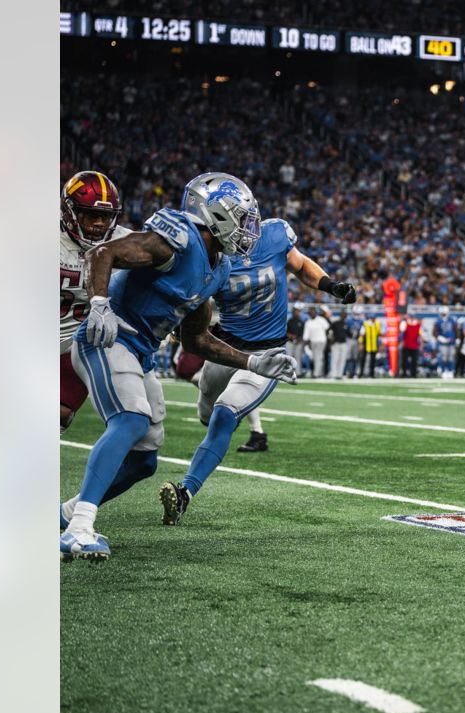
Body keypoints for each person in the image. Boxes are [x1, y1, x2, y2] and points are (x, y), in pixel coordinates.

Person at [60, 172, 298, 562]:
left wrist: (254, 361)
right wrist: (100, 304)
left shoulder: (218, 267)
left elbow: (197, 340)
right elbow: (102, 253)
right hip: (108, 337)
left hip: (139, 353)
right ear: (215, 214)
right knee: (132, 420)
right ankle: (79, 528)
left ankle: (66, 512)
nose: (249, 228)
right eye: (242, 217)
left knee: (144, 460)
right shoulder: (179, 237)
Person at [161, 197, 355, 522]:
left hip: (267, 353)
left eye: (250, 218)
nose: (249, 227)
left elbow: (301, 264)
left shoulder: (275, 234)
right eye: (240, 220)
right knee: (207, 413)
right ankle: (218, 436)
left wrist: (331, 286)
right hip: (226, 350)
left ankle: (185, 493)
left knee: (224, 416)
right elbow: (195, 300)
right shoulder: (211, 254)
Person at [60, 170, 130, 433]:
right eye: (91, 215)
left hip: (74, 344)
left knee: (60, 414)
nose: (100, 224)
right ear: (70, 212)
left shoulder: (123, 241)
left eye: (106, 216)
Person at [303, 306, 330, 378]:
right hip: (313, 342)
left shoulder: (321, 320)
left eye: (313, 312)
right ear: (309, 314)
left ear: (316, 313)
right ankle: (318, 372)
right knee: (314, 358)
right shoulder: (308, 323)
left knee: (319, 357)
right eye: (310, 313)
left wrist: (329, 338)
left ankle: (316, 374)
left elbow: (328, 329)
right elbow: (306, 336)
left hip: (321, 341)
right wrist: (306, 345)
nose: (312, 314)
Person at [433, 307, 459, 379]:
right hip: (442, 342)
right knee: (443, 358)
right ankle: (444, 370)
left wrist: (457, 338)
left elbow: (455, 330)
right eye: (443, 313)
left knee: (451, 357)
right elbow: (434, 332)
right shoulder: (438, 321)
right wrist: (439, 337)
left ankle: (450, 371)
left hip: (451, 342)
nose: (444, 315)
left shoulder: (452, 320)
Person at [327, 308, 351, 380]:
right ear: (340, 315)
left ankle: (339, 374)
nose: (344, 316)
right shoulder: (335, 323)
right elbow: (328, 331)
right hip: (336, 343)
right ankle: (333, 374)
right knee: (335, 359)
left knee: (342, 359)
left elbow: (349, 334)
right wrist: (330, 338)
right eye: (342, 315)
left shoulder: (346, 324)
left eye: (345, 315)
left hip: (343, 344)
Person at [400, 312, 422, 378]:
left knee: (414, 361)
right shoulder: (405, 323)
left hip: (414, 345)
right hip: (406, 345)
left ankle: (413, 374)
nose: (412, 318)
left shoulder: (418, 325)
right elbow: (401, 330)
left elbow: (420, 335)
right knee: (405, 360)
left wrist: (421, 345)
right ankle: (404, 373)